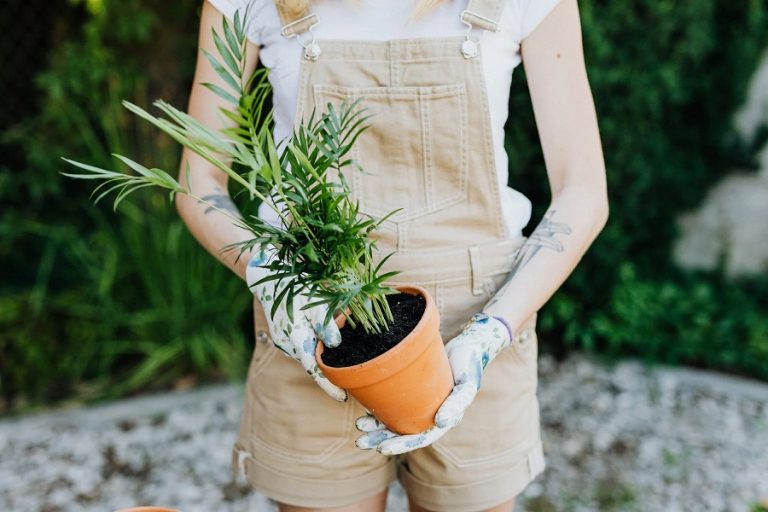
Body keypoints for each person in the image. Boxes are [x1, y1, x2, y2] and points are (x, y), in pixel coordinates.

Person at [175, 0, 608, 510]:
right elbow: (198, 183)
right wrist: (271, 278)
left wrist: (493, 333)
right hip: (315, 326)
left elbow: (582, 194)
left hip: (477, 323)